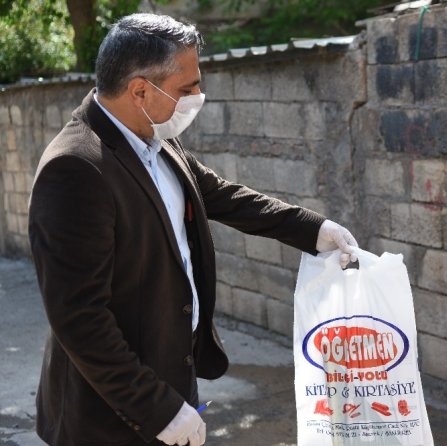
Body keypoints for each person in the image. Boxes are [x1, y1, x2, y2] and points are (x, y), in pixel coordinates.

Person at [28, 13, 357, 446]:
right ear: (140, 90)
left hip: (171, 375)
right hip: (111, 413)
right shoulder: (75, 168)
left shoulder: (154, 136)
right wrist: (157, 409)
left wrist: (314, 230)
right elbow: (79, 319)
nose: (198, 97)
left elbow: (220, 194)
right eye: (187, 88)